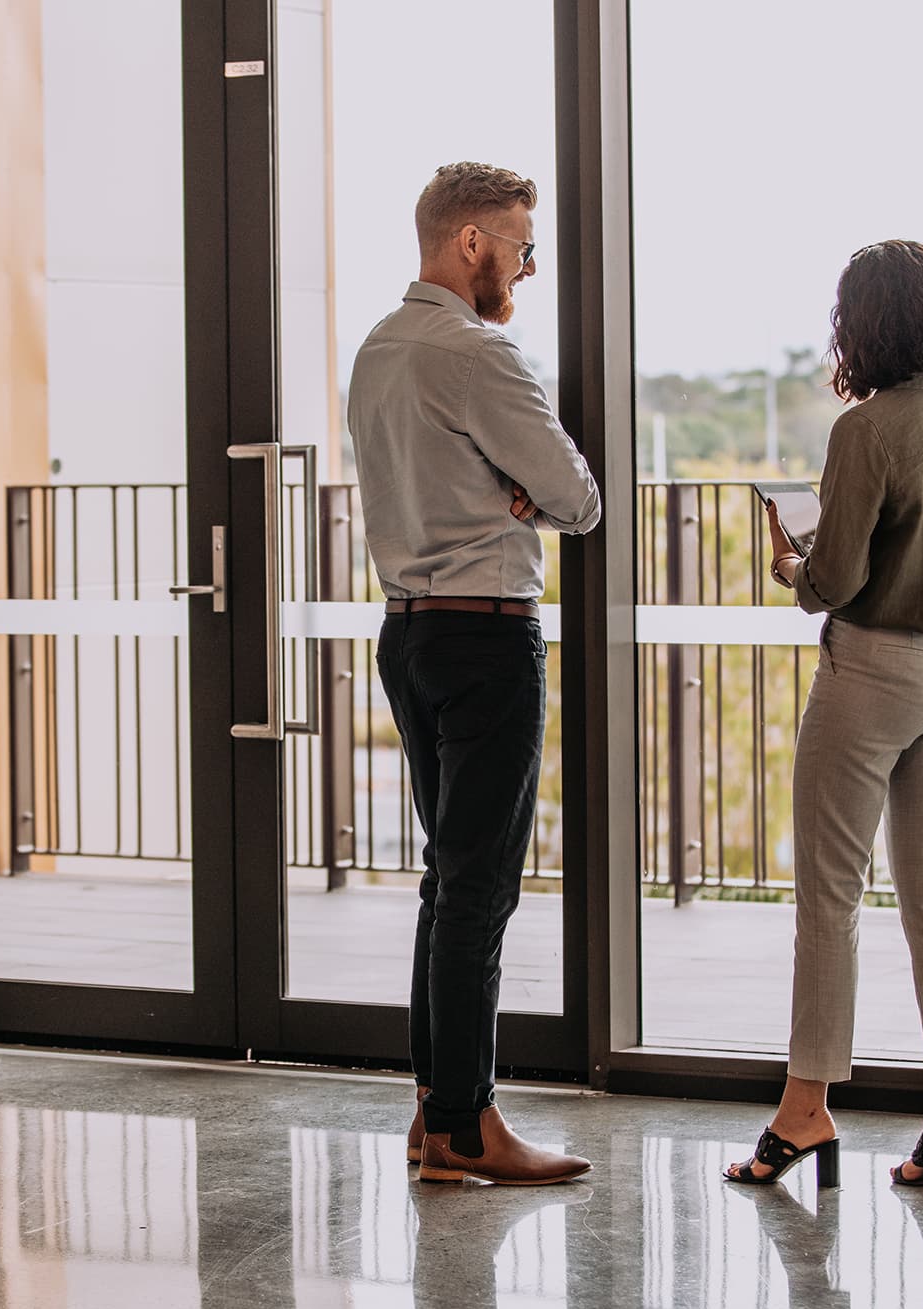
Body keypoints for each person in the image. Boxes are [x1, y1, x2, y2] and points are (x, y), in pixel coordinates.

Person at [724, 240, 923, 1197]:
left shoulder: (866, 431)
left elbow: (837, 579)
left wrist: (793, 568)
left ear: (863, 326)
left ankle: (805, 1113)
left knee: (829, 899)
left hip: (872, 674)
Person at [348, 162, 601, 1185]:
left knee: (445, 880)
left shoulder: (376, 349)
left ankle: (432, 1110)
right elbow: (577, 497)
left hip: (406, 636)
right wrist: (525, 496)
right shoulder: (478, 352)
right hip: (487, 636)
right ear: (469, 243)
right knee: (478, 888)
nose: (525, 268)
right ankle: (464, 1125)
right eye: (521, 247)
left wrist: (510, 490)